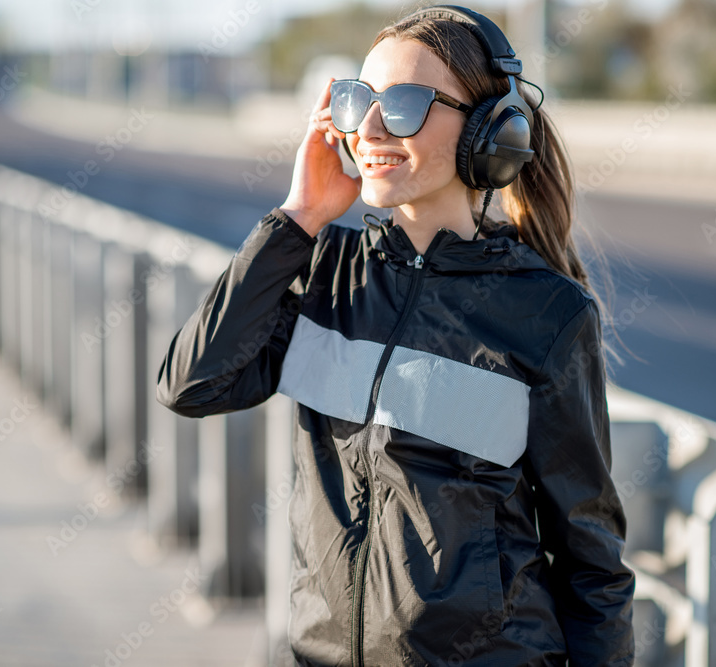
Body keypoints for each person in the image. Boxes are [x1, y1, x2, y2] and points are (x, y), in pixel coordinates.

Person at [156, 4, 635, 665]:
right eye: (359, 101)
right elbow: (190, 383)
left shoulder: (546, 312)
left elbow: (592, 564)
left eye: (406, 103)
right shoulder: (325, 276)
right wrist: (298, 218)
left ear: (487, 132)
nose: (373, 126)